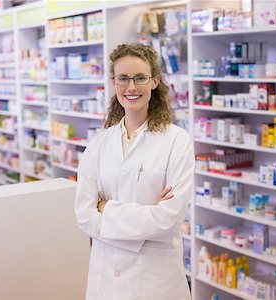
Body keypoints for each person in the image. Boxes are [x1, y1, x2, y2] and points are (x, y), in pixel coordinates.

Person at [75, 43, 194, 300]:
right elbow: (84, 216)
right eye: (123, 79)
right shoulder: (98, 145)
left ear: (154, 81)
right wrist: (146, 217)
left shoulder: (177, 141)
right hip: (106, 279)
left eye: (140, 78)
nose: (131, 87)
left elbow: (168, 222)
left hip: (155, 282)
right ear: (113, 82)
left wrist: (107, 209)